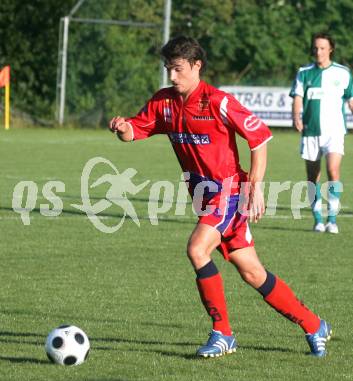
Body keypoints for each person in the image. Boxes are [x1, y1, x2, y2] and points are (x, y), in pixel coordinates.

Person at [109, 36, 331, 358]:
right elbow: (135, 131)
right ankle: (314, 324)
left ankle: (222, 333)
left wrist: (254, 186)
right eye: (168, 69)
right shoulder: (164, 102)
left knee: (197, 249)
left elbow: (260, 137)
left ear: (197, 66)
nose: (172, 76)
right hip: (204, 198)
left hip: (230, 192)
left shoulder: (217, 101)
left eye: (178, 69)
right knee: (253, 273)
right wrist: (121, 127)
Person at [290, 32, 353, 234]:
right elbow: (298, 98)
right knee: (312, 175)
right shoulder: (304, 72)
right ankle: (317, 219)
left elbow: (351, 99)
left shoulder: (343, 73)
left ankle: (332, 219)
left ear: (330, 49)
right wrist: (296, 117)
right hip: (311, 132)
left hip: (335, 131)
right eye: (316, 48)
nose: (319, 51)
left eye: (323, 48)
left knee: (333, 171)